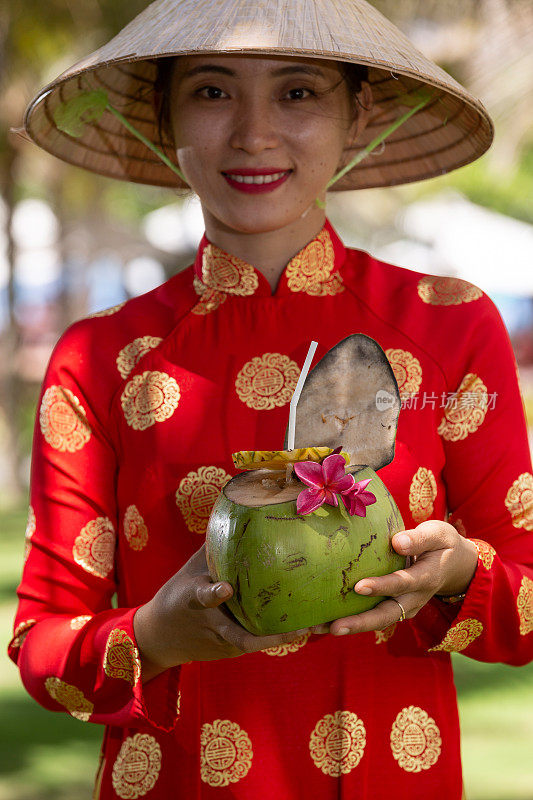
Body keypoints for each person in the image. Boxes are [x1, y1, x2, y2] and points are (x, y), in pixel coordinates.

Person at [8, 0, 533, 798]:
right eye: (212, 92)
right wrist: (154, 635)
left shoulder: (449, 327)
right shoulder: (102, 359)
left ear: (357, 115)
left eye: (297, 92)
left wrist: (459, 574)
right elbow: (45, 650)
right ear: (164, 113)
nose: (254, 134)